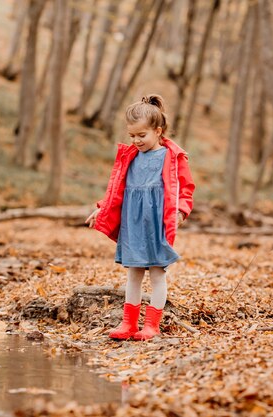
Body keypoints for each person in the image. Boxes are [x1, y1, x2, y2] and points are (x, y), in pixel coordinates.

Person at [86, 94, 195, 341]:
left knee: (157, 273)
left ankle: (152, 325)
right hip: (133, 222)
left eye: (141, 135)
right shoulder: (130, 156)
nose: (136, 140)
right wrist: (101, 208)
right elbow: (117, 188)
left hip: (157, 221)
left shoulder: (172, 157)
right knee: (133, 273)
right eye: (132, 135)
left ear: (158, 131)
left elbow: (185, 188)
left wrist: (181, 210)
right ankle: (128, 323)